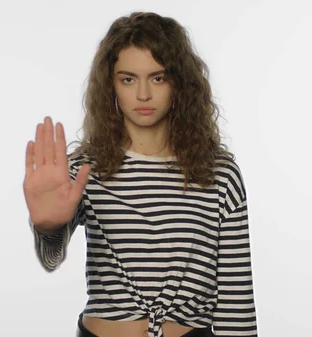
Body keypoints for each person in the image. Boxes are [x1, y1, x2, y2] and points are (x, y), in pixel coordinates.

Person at [23, 12, 258, 337]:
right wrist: (47, 226)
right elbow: (51, 259)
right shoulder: (85, 169)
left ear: (180, 82)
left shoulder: (219, 174)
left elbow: (236, 301)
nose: (143, 94)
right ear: (111, 85)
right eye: (128, 79)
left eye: (158, 77)